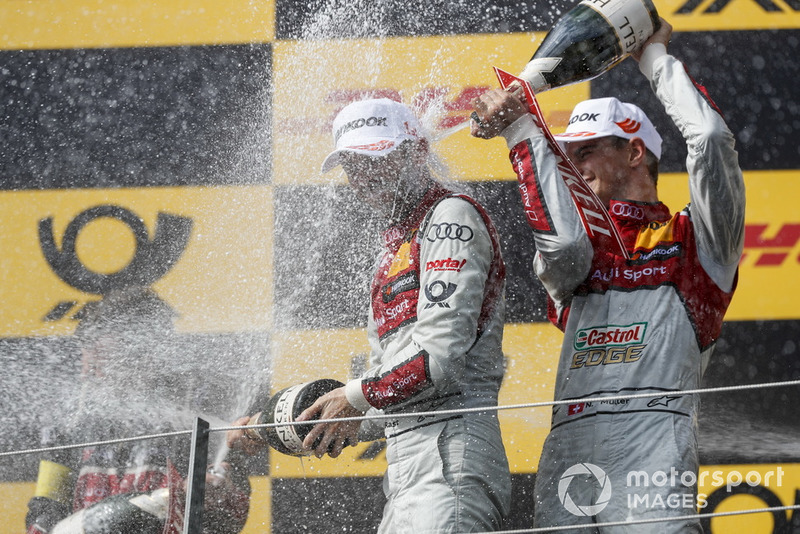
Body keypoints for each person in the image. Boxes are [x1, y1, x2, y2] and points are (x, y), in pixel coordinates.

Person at [471, 18, 745, 532]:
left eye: (587, 151)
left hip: (654, 441)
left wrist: (654, 58)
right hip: (568, 442)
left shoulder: (699, 240)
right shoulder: (576, 247)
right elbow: (564, 246)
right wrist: (522, 129)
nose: (575, 167)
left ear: (635, 152)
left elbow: (709, 139)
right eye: (568, 157)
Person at [229, 98, 511, 532]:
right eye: (352, 164)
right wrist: (289, 424)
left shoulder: (451, 215)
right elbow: (387, 395)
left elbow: (439, 363)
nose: (363, 175)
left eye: (376, 157)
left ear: (417, 152)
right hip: (407, 470)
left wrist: (353, 396)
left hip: (452, 456)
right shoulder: (392, 251)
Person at [25, 286, 251, 534]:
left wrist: (213, 495)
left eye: (99, 353)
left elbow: (229, 517)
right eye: (86, 351)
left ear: (146, 351)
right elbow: (45, 509)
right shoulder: (71, 428)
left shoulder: (197, 424)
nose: (86, 367)